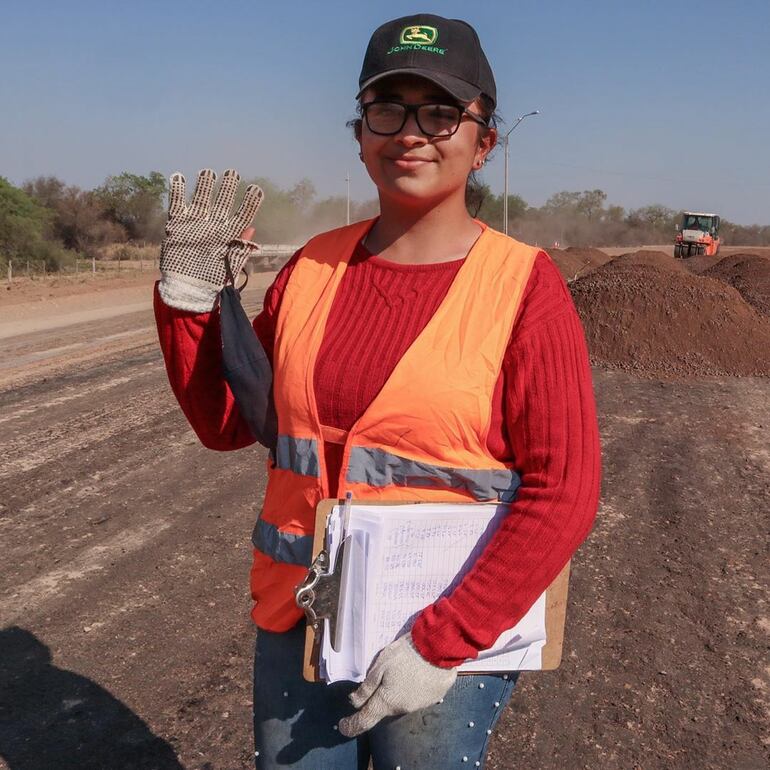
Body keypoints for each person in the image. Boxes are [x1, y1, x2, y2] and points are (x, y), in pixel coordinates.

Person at [154, 12, 601, 770]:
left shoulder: (526, 288)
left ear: (484, 140)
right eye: (387, 108)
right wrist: (189, 309)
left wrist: (443, 643)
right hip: (301, 614)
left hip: (444, 629)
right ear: (360, 133)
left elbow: (565, 488)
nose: (411, 132)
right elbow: (231, 422)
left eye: (441, 111)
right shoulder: (311, 269)